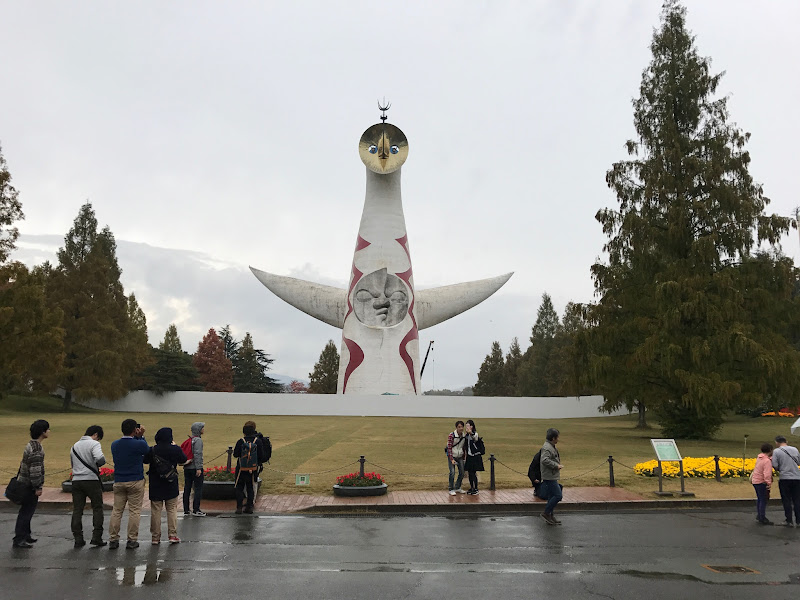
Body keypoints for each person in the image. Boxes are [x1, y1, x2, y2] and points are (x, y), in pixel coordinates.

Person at [109, 419, 149, 549]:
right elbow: (146, 450)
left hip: (119, 480)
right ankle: (132, 539)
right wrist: (140, 436)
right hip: (135, 479)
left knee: (117, 511)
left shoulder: (114, 444)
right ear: (134, 430)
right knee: (134, 511)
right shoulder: (138, 444)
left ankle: (113, 539)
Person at [12, 419, 49, 549]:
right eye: (47, 429)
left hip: (23, 482)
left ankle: (26, 534)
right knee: (26, 512)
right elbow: (35, 470)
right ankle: (19, 538)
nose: (49, 431)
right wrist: (37, 487)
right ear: (42, 432)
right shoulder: (37, 449)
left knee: (26, 511)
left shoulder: (30, 445)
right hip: (29, 486)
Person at [147, 427, 188, 544]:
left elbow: (145, 460)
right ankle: (172, 534)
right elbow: (183, 459)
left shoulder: (152, 450)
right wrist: (175, 446)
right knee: (171, 509)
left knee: (156, 511)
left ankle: (155, 537)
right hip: (170, 482)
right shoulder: (175, 449)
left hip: (155, 482)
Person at [70, 425, 108, 547]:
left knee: (77, 509)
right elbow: (100, 459)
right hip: (91, 479)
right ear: (96, 434)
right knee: (97, 507)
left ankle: (78, 538)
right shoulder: (94, 444)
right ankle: (96, 536)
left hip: (76, 480)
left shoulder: (74, 446)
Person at [233, 421, 267, 514]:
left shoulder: (240, 441)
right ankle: (250, 506)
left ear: (244, 432)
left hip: (241, 468)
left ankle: (239, 507)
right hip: (253, 468)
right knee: (250, 487)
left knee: (239, 487)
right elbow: (261, 456)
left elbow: (235, 454)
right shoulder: (258, 441)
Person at [772, 435, 800, 527]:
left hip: (785, 478)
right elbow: (799, 462)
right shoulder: (795, 449)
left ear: (777, 442)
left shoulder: (776, 451)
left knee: (786, 499)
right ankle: (799, 520)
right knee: (797, 499)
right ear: (786, 441)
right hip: (796, 477)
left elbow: (775, 465)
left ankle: (789, 520)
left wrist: (781, 468)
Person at [539, 428, 563, 525]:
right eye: (557, 437)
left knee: (551, 496)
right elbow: (544, 460)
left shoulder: (550, 446)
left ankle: (551, 516)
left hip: (551, 475)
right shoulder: (547, 448)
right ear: (553, 438)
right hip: (549, 476)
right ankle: (546, 513)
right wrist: (556, 465)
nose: (558, 439)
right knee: (558, 495)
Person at [183, 421, 206, 517]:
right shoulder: (198, 441)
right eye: (202, 428)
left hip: (187, 467)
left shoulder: (190, 439)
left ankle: (186, 509)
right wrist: (199, 468)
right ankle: (196, 509)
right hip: (194, 467)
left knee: (187, 487)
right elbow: (198, 454)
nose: (204, 429)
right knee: (198, 488)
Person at [751, 442, 773, 525]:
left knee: (760, 498)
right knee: (763, 499)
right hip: (761, 481)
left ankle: (759, 514)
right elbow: (767, 474)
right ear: (770, 450)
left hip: (755, 480)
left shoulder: (760, 458)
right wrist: (768, 483)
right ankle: (762, 517)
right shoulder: (767, 461)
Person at [464, 419, 484, 495]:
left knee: (473, 473)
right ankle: (471, 487)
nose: (467, 428)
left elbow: (475, 438)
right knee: (470, 473)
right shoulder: (466, 436)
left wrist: (471, 433)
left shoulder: (475, 434)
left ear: (472, 427)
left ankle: (476, 488)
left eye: (468, 426)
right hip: (469, 456)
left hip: (475, 456)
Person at [446, 420, 467, 496]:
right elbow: (449, 447)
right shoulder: (452, 435)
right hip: (453, 456)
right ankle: (451, 488)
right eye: (459, 427)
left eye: (462, 427)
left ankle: (457, 487)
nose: (460, 428)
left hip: (460, 456)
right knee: (452, 472)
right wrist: (451, 459)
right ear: (456, 427)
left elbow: (464, 447)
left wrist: (464, 457)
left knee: (462, 472)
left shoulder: (464, 436)